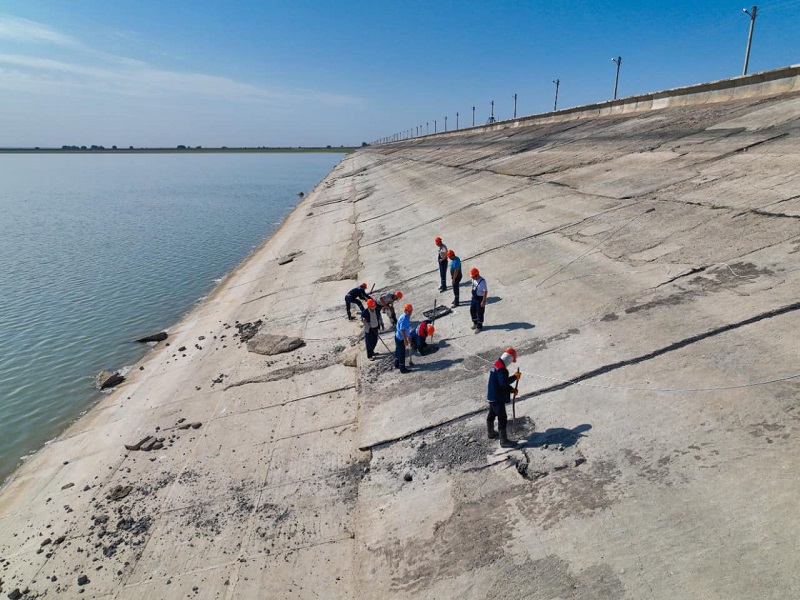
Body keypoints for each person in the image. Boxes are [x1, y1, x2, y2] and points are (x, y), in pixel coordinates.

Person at [487, 347, 521, 447]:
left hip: (491, 395)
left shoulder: (496, 364)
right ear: (510, 358)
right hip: (497, 397)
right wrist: (515, 377)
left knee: (491, 415)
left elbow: (499, 383)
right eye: (512, 360)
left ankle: (490, 433)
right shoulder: (502, 369)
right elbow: (503, 382)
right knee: (502, 418)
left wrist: (511, 390)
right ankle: (504, 441)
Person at [394, 303, 413, 373]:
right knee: (401, 353)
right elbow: (402, 330)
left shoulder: (407, 317)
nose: (411, 312)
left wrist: (409, 335)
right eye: (409, 311)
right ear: (406, 310)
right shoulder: (404, 318)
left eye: (411, 311)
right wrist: (405, 340)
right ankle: (402, 368)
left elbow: (407, 328)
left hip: (400, 337)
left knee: (398, 351)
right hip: (400, 338)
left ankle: (396, 364)